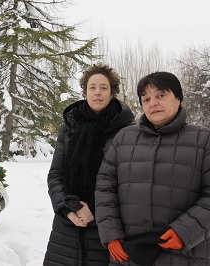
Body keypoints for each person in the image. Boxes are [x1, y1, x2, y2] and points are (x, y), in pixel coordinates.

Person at [95, 71, 210, 265]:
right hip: (129, 254)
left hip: (186, 254)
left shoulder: (204, 140)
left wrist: (185, 231)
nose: (153, 103)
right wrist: (111, 233)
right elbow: (105, 187)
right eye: (146, 99)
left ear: (179, 98)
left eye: (161, 95)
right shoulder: (124, 138)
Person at [43, 63, 135, 265]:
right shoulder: (70, 125)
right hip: (67, 223)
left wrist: (94, 209)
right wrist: (66, 208)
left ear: (112, 93)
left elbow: (128, 182)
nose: (98, 93)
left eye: (104, 88)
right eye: (92, 87)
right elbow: (56, 173)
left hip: (105, 225)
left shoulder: (127, 130)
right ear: (85, 92)